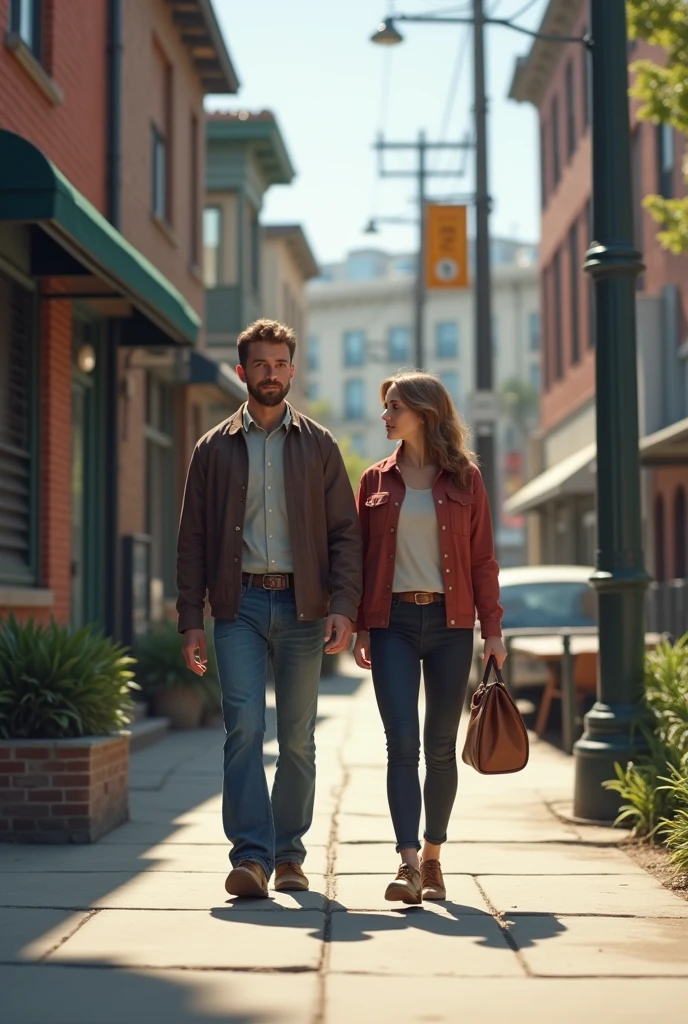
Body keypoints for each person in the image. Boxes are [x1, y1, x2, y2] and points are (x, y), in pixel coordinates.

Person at [177, 319, 362, 899]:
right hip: (240, 606)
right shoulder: (212, 449)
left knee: (299, 737)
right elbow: (192, 541)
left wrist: (343, 606)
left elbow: (345, 536)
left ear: (292, 369)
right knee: (244, 729)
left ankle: (289, 854)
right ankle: (251, 857)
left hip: (306, 608)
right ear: (242, 372)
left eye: (281, 363)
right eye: (261, 364)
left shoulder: (321, 446)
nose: (272, 373)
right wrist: (190, 620)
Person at [353, 371, 506, 905]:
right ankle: (407, 863)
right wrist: (356, 624)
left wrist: (494, 632)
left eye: (395, 406)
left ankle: (435, 857)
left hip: (451, 625)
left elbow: (484, 560)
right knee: (402, 745)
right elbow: (358, 560)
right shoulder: (374, 481)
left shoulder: (465, 479)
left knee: (440, 748)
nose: (386, 416)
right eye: (385, 406)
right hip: (391, 623)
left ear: (424, 411)